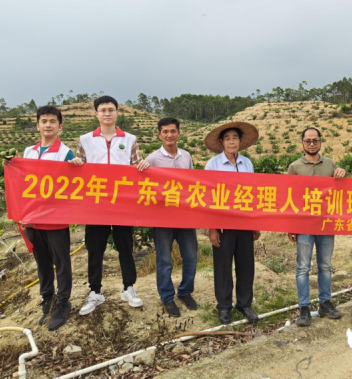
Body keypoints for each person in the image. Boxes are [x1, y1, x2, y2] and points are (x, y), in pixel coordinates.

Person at [70, 95, 148, 315]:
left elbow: (136, 165)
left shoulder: (130, 139)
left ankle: (128, 288)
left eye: (111, 109)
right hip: (95, 204)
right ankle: (95, 291)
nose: (107, 113)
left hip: (122, 203)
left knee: (125, 246)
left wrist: (143, 164)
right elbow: (80, 166)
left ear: (117, 113)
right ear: (96, 113)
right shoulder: (85, 140)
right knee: (95, 248)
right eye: (103, 110)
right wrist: (76, 163)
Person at [11, 105, 74, 331]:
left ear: (60, 126)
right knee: (42, 262)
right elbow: (22, 181)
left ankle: (63, 303)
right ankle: (48, 299)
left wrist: (77, 166)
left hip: (56, 218)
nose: (48, 125)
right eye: (44, 121)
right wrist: (11, 165)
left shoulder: (66, 153)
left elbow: (75, 183)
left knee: (62, 263)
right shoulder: (29, 152)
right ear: (37, 126)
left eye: (52, 121)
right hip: (33, 218)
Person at [136, 117, 198, 317]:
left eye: (173, 131)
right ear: (159, 134)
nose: (169, 135)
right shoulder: (152, 159)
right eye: (165, 132)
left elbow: (192, 183)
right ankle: (167, 297)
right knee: (164, 260)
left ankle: (185, 291)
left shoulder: (186, 156)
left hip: (185, 217)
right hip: (162, 219)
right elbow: (142, 182)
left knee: (191, 256)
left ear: (179, 133)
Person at [287, 127, 346, 327]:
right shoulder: (294, 167)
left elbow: (341, 186)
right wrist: (290, 225)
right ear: (302, 143)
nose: (311, 144)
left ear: (320, 141)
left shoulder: (329, 164)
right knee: (303, 267)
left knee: (325, 265)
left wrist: (342, 173)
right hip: (304, 224)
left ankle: (325, 303)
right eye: (308, 140)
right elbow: (289, 197)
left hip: (326, 224)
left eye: (315, 140)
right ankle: (304, 307)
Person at [204, 121, 260, 325]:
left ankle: (244, 304)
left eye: (234, 138)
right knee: (223, 267)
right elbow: (207, 197)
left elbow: (253, 194)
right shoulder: (213, 165)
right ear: (221, 142)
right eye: (227, 138)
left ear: (240, 141)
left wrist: (255, 222)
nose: (231, 142)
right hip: (223, 225)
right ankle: (224, 306)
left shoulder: (247, 164)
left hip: (244, 223)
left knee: (246, 265)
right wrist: (212, 228)